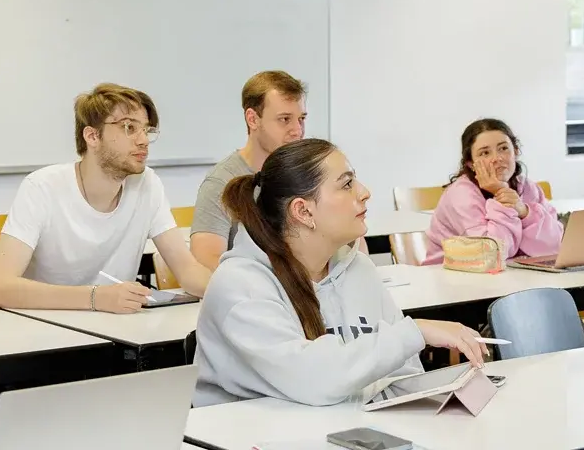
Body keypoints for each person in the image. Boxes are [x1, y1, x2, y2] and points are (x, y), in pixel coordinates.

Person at [192, 138, 488, 407]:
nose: (365, 192)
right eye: (347, 184)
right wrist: (415, 331)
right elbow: (314, 381)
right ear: (303, 211)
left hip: (347, 431)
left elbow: (404, 374)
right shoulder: (239, 284)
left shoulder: (359, 269)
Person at [0, 84, 211, 312]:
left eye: (146, 130)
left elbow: (188, 271)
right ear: (92, 136)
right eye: (129, 127)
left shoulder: (147, 184)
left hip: (116, 326)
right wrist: (95, 298)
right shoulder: (42, 187)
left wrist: (229, 292)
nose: (143, 140)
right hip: (46, 324)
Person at [189, 71, 310, 270]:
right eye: (284, 119)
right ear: (253, 119)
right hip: (254, 286)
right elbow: (205, 260)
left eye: (301, 119)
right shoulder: (221, 182)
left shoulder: (307, 174)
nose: (297, 130)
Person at [422, 118, 561, 265]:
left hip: (513, 274)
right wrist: (501, 194)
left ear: (516, 151)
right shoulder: (461, 194)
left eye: (503, 148)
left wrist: (524, 212)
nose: (497, 158)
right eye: (485, 153)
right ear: (471, 164)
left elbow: (554, 246)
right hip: (452, 275)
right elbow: (492, 254)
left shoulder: (528, 187)